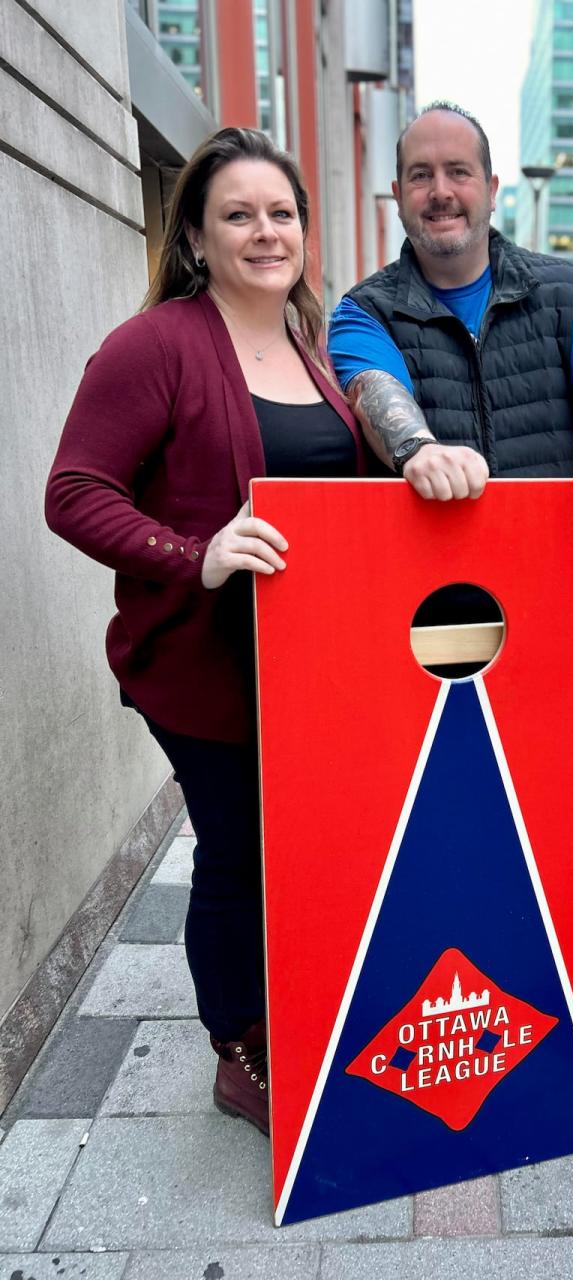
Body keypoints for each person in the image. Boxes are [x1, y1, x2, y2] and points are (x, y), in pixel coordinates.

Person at [45, 128, 364, 1135]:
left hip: (310, 662)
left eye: (281, 213)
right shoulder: (158, 345)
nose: (264, 231)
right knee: (239, 852)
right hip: (205, 663)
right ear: (195, 233)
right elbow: (73, 493)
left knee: (303, 845)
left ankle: (303, 1013)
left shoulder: (312, 351)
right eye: (239, 213)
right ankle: (243, 1050)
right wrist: (198, 552)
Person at [328, 102, 573, 1042]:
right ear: (397, 193)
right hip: (424, 620)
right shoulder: (363, 310)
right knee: (440, 808)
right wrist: (419, 451)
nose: (441, 191)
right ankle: (434, 979)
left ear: (489, 186)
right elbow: (374, 392)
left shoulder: (561, 291)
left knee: (562, 801)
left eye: (458, 172)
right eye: (421, 175)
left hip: (556, 609)